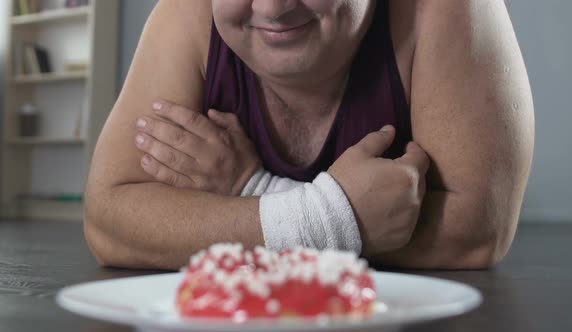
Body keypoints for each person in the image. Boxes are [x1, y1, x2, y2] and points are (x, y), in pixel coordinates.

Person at [84, 0, 534, 270]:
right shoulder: (187, 14)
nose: (273, 7)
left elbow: (477, 231)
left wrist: (248, 194)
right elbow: (110, 221)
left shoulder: (441, 9)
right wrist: (335, 219)